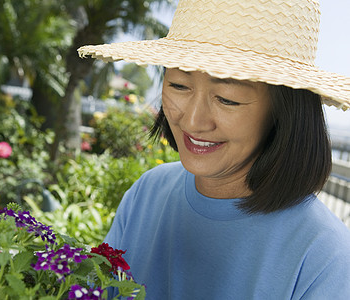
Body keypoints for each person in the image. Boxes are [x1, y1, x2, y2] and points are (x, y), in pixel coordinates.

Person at [78, 0, 350, 299]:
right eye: (179, 85)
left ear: (284, 112)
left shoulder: (325, 256)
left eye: (227, 99)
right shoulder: (147, 193)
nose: (193, 120)